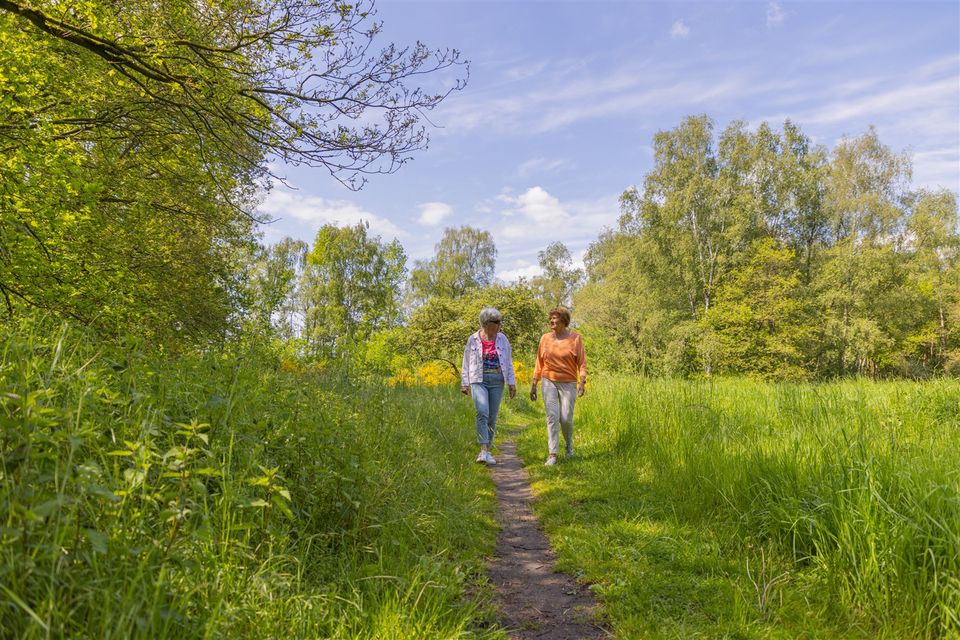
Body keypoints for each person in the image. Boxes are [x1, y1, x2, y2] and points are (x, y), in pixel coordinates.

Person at [529, 306, 587, 466]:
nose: (552, 321)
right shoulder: (545, 338)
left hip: (568, 382)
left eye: (555, 318)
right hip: (549, 380)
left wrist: (582, 382)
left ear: (564, 321)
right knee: (552, 417)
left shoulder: (575, 338)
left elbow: (582, 363)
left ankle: (569, 447)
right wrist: (534, 383)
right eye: (551, 319)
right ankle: (552, 454)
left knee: (566, 418)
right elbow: (539, 363)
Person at [461, 307, 517, 465]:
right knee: (482, 412)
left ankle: (488, 450)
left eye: (500, 323)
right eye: (496, 323)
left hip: (498, 380)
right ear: (486, 324)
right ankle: (483, 450)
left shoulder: (502, 339)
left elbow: (509, 362)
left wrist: (512, 383)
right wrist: (464, 383)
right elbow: (466, 362)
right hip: (479, 379)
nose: (499, 326)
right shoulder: (473, 339)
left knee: (492, 417)